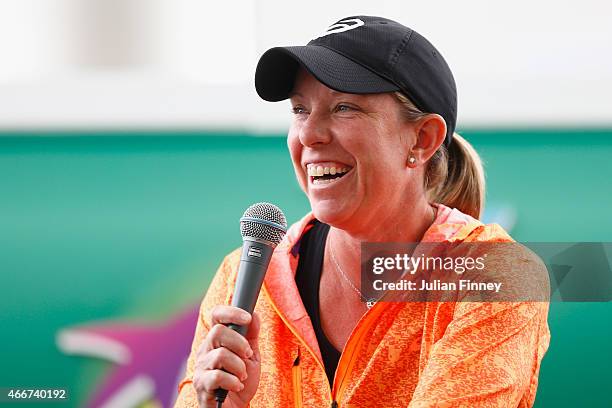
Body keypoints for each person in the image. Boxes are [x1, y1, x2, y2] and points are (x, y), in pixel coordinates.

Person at [174, 16, 550, 408]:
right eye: (300, 109)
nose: (308, 134)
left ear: (422, 139)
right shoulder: (245, 277)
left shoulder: (498, 274)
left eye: (343, 107)